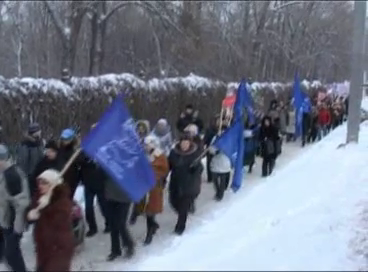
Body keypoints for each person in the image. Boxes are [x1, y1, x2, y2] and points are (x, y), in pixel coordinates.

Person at [27, 169, 74, 272]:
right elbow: (31, 212)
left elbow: (59, 220)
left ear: (53, 185)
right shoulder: (39, 196)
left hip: (59, 247)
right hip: (43, 247)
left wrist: (45, 207)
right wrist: (30, 214)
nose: (40, 185)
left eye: (44, 183)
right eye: (39, 182)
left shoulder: (63, 200)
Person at [0, 144, 29, 272]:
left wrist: (16, 232)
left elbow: (21, 206)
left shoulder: (11, 176)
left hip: (12, 223)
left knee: (12, 254)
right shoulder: (3, 173)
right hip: (4, 220)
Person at [168, 132, 203, 235]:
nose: (184, 145)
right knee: (173, 202)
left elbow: (200, 168)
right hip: (176, 183)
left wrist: (195, 168)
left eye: (186, 143)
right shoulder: (174, 153)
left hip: (189, 184)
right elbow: (169, 165)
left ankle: (180, 228)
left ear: (189, 143)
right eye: (183, 143)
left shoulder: (195, 154)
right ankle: (186, 210)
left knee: (183, 207)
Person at [139, 135, 169, 245]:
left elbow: (164, 170)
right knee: (145, 209)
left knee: (150, 210)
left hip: (155, 187)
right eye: (145, 145)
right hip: (145, 186)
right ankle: (153, 225)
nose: (146, 147)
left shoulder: (160, 155)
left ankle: (149, 233)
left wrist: (153, 175)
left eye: (148, 144)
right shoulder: (143, 155)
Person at [104, 176, 135, 261]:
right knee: (112, 224)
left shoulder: (128, 164)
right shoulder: (109, 163)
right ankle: (115, 250)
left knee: (120, 223)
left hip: (124, 197)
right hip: (110, 194)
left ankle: (129, 245)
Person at [80, 151, 109, 237]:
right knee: (88, 207)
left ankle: (109, 224)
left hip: (100, 185)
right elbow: (79, 163)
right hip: (88, 185)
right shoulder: (82, 154)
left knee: (104, 206)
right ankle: (92, 228)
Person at [16, 123, 45, 197]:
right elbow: (22, 162)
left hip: (41, 175)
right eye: (37, 131)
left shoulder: (40, 143)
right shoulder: (25, 145)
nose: (39, 133)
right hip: (30, 177)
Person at [208, 126, 231, 201]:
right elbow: (210, 148)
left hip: (225, 161)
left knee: (222, 180)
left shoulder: (230, 139)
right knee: (215, 180)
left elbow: (232, 149)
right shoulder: (215, 138)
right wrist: (214, 151)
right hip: (216, 162)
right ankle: (218, 192)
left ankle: (220, 195)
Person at [58, 128, 81, 199]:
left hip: (71, 180)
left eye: (67, 139)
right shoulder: (59, 150)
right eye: (63, 139)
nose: (65, 141)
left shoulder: (75, 151)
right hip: (59, 178)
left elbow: (79, 163)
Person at [203, 115, 221, 183]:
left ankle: (216, 175)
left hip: (219, 149)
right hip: (210, 147)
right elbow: (206, 138)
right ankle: (210, 177)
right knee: (209, 162)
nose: (219, 122)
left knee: (217, 162)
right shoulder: (209, 129)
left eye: (220, 121)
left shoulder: (223, 129)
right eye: (218, 120)